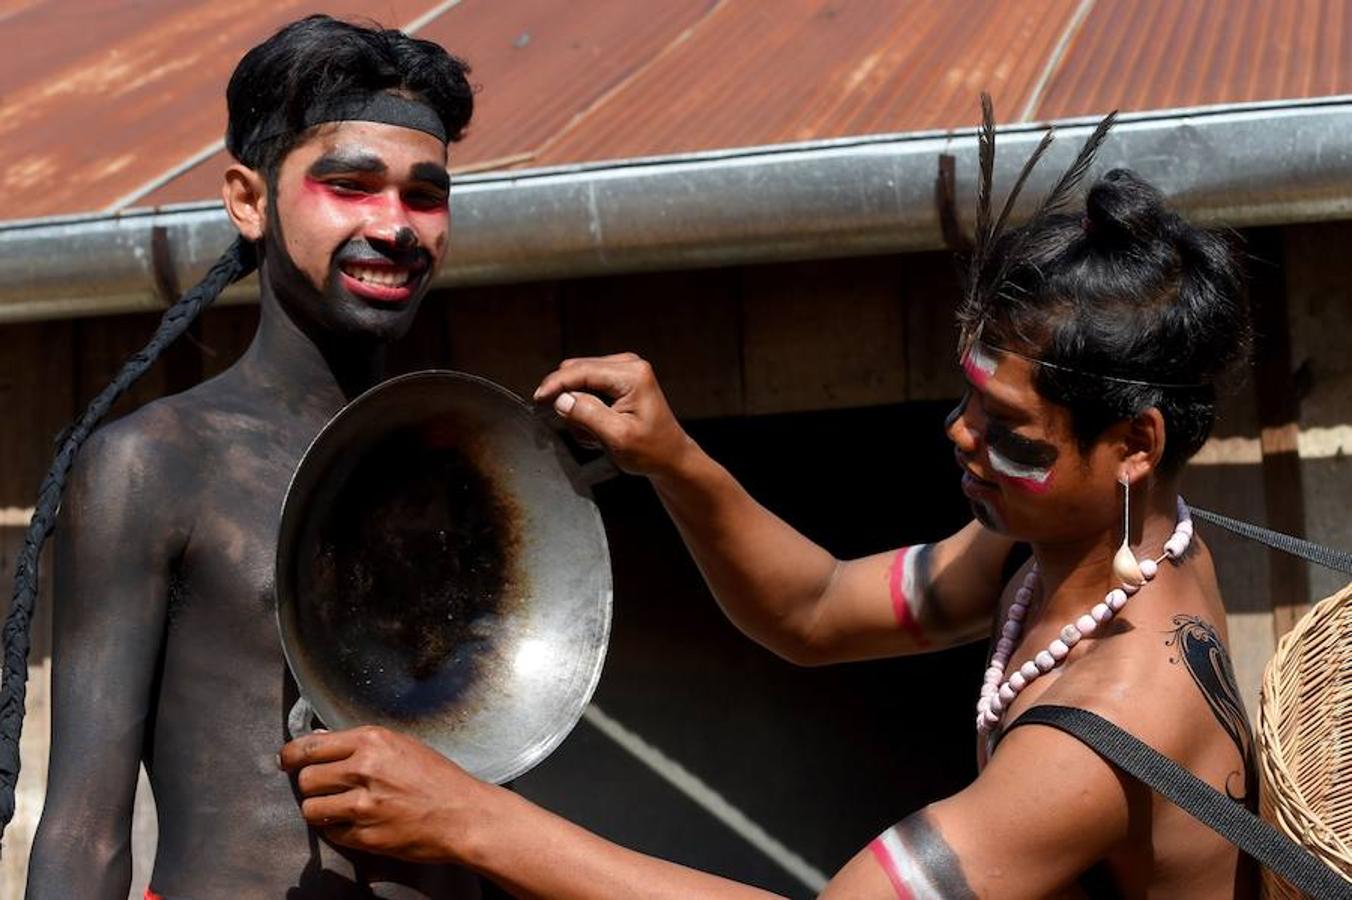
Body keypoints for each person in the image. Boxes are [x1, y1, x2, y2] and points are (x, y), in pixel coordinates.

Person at [281, 117, 1257, 896]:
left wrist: (472, 821)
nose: (960, 437)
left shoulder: (1102, 732)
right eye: (965, 399)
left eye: (1011, 432)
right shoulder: (1080, 551)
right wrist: (674, 461)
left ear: (1134, 443)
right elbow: (816, 610)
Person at [15, 14, 489, 898]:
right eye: (350, 184)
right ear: (249, 199)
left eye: (426, 196)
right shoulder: (157, 464)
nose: (396, 226)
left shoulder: (467, 464)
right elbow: (83, 831)